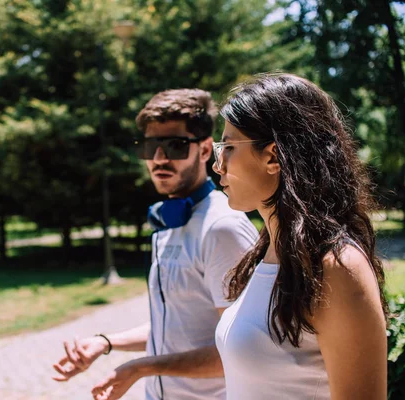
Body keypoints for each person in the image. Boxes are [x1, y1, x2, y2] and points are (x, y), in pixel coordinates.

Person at [52, 88, 258, 400]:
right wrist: (106, 342)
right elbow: (175, 329)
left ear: (205, 150)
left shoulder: (222, 228)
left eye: (175, 146)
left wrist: (141, 367)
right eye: (151, 146)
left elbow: (241, 352)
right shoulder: (166, 222)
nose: (159, 159)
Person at [212, 73, 388, 399]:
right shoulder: (267, 253)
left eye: (228, 147)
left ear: (273, 157)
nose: (218, 165)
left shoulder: (337, 267)